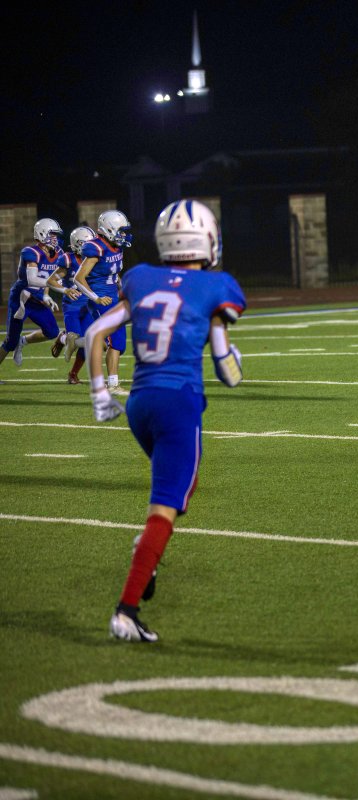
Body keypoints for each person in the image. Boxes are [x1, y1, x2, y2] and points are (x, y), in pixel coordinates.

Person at [85, 199, 247, 643]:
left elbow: (95, 332)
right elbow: (226, 372)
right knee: (165, 506)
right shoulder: (216, 286)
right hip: (178, 402)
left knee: (178, 489)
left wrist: (100, 393)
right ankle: (126, 610)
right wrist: (234, 361)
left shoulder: (140, 278)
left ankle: (147, 551)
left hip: (140, 404)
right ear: (208, 240)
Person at [0, 218, 67, 374]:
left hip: (37, 300)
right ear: (42, 234)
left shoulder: (58, 253)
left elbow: (51, 277)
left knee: (52, 332)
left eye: (56, 235)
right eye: (52, 234)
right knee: (10, 342)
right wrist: (58, 287)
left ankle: (23, 341)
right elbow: (32, 279)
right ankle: (16, 342)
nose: (55, 238)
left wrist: (46, 295)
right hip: (21, 300)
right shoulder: (31, 252)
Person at [76, 210, 132, 393]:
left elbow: (113, 273)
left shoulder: (117, 246)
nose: (123, 235)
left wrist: (122, 287)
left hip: (113, 297)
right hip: (101, 299)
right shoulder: (96, 248)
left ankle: (78, 341)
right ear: (109, 229)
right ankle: (112, 384)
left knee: (118, 342)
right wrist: (96, 298)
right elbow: (78, 278)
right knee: (115, 340)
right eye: (120, 231)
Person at [50, 226, 102, 384]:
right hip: (72, 307)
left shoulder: (94, 260)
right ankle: (63, 338)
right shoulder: (68, 259)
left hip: (88, 307)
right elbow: (51, 281)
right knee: (74, 338)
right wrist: (65, 290)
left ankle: (73, 374)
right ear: (78, 244)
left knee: (89, 343)